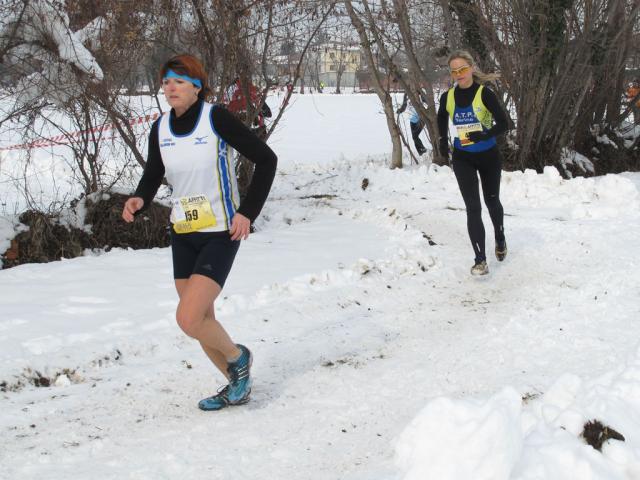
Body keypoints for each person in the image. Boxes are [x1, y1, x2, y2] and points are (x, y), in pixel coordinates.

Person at [122, 54, 277, 410]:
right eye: (165, 82)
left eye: (178, 81)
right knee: (201, 321)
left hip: (220, 232)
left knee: (187, 318)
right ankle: (236, 386)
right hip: (184, 232)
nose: (170, 88)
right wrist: (139, 199)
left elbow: (267, 160)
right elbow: (153, 173)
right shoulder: (160, 127)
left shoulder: (215, 118)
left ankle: (238, 359)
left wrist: (248, 214)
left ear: (196, 86)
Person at [437, 50, 508, 276]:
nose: (459, 74)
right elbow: (440, 120)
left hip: (488, 155)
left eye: (463, 69)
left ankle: (500, 236)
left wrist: (484, 134)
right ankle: (480, 260)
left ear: (471, 68)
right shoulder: (447, 97)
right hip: (463, 157)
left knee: (491, 202)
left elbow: (505, 124)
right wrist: (441, 142)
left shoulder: (484, 94)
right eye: (454, 71)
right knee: (473, 208)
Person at [397, 91, 428, 155]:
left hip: (421, 118)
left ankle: (422, 149)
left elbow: (427, 103)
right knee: (414, 137)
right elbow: (404, 106)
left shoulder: (419, 92)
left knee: (415, 136)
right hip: (412, 119)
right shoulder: (406, 94)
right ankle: (421, 152)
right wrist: (400, 110)